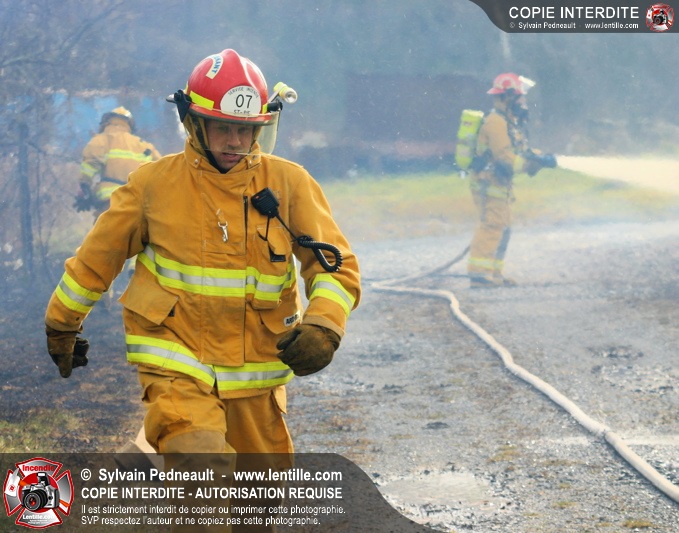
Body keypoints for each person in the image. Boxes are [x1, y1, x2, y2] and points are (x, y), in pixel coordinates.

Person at [44, 49, 361, 528]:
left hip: (255, 377)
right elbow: (95, 261)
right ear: (194, 122)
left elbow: (335, 266)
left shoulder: (289, 184)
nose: (235, 141)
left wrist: (324, 325)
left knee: (257, 506)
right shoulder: (153, 185)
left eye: (246, 129)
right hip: (177, 364)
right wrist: (61, 324)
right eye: (222, 127)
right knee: (202, 481)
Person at [467, 72, 556, 288]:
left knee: (503, 228)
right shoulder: (496, 123)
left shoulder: (508, 122)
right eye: (520, 97)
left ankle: (494, 274)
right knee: (492, 225)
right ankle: (479, 275)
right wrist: (533, 164)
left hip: (498, 184)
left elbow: (520, 151)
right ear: (507, 97)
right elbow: (507, 160)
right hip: (488, 183)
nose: (523, 101)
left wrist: (539, 157)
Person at [76, 106, 161, 219]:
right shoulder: (144, 146)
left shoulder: (101, 140)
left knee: (104, 230)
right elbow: (162, 171)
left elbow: (90, 165)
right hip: (138, 205)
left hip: (110, 202)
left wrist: (85, 188)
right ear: (129, 124)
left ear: (107, 122)